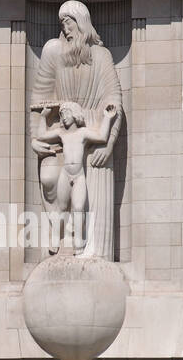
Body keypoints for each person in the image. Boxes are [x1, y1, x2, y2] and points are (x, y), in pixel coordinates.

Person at [34, 101, 119, 253]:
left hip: (78, 175)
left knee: (78, 208)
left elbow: (102, 137)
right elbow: (41, 136)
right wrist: (43, 117)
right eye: (61, 114)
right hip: (65, 175)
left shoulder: (83, 133)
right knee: (61, 209)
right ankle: (54, 240)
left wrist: (107, 117)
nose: (63, 117)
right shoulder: (61, 133)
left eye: (66, 113)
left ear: (74, 113)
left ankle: (78, 244)